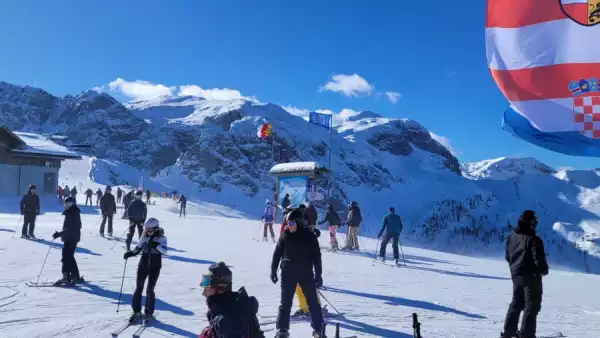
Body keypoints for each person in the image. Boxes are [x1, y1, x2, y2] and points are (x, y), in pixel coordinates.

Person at [271, 208, 326, 338]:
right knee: (285, 303)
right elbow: (277, 253)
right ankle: (282, 330)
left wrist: (318, 275)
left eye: (291, 224)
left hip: (306, 274)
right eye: (287, 224)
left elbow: (317, 257)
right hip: (288, 273)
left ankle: (318, 330)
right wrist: (273, 270)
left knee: (313, 303)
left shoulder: (310, 237)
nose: (289, 226)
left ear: (299, 222)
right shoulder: (285, 235)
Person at [501, 210, 549, 338]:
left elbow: (507, 256)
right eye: (534, 221)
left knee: (517, 302)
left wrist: (516, 267)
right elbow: (539, 260)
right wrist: (543, 270)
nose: (536, 224)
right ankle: (527, 335)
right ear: (531, 222)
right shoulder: (534, 240)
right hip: (531, 277)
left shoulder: (511, 237)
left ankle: (509, 331)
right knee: (531, 306)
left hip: (516, 275)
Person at [198, 262, 265, 338]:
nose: (204, 294)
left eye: (208, 289)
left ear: (220, 290)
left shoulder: (227, 318)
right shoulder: (227, 306)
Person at [123, 218, 167, 322]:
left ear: (156, 229)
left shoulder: (162, 238)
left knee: (149, 289)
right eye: (147, 229)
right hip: (143, 263)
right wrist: (131, 253)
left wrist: (156, 246)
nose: (148, 231)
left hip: (155, 264)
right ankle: (136, 311)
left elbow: (165, 251)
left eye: (150, 230)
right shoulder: (144, 237)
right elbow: (138, 248)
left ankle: (149, 313)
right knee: (139, 287)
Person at [52, 196, 83, 285]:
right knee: (70, 257)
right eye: (66, 203)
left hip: (71, 238)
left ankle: (66, 276)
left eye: (69, 203)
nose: (67, 205)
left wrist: (59, 234)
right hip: (71, 237)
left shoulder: (73, 213)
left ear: (73, 204)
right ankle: (75, 276)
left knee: (66, 257)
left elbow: (70, 229)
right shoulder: (72, 212)